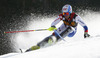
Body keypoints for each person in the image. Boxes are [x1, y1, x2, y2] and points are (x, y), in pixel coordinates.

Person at [25, 4, 90, 52]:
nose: (65, 15)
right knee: (54, 34)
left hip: (72, 31)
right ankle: (38, 46)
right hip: (64, 26)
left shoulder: (76, 17)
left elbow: (85, 26)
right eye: (64, 13)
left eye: (67, 13)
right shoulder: (62, 16)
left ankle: (55, 41)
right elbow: (54, 23)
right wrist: (53, 26)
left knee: (69, 29)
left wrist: (86, 33)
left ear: (70, 12)